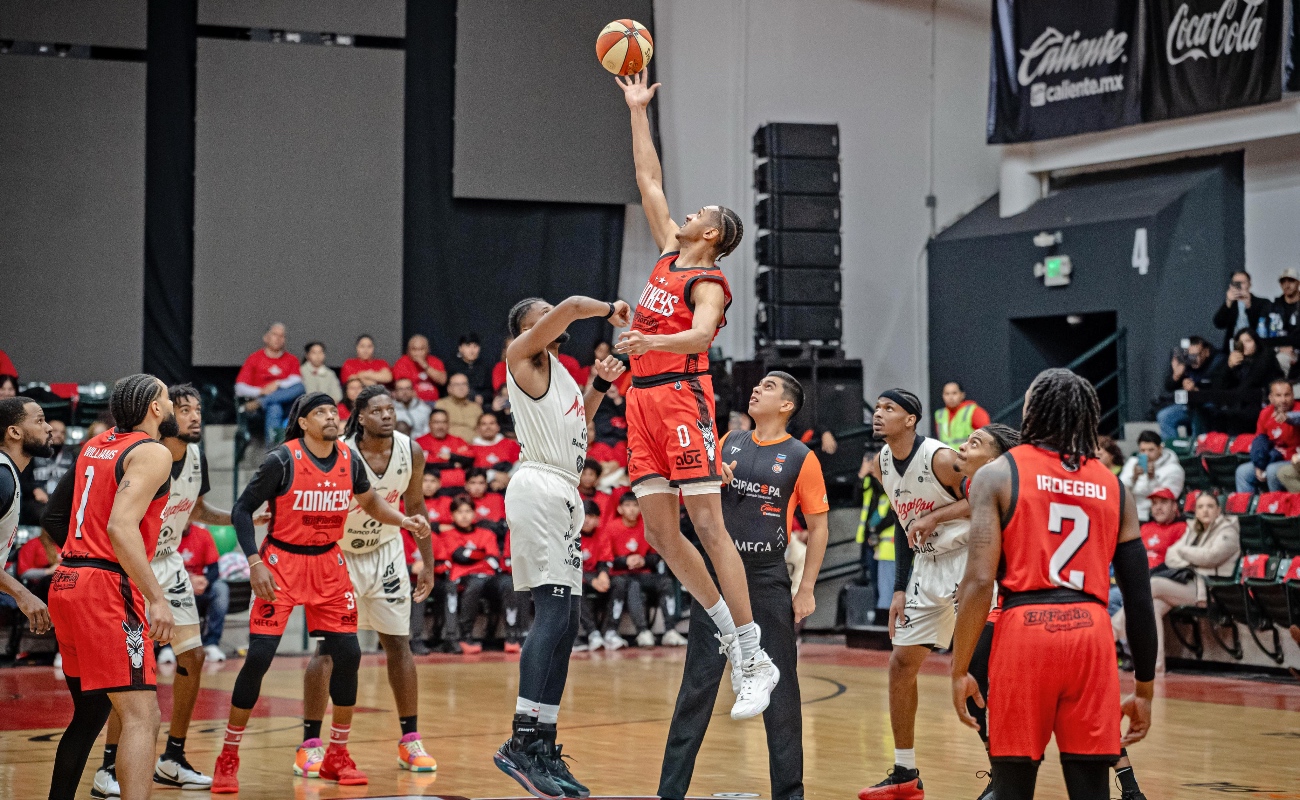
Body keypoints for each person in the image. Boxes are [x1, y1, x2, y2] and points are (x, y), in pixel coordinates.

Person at [614, 68, 778, 720]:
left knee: (707, 524)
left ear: (711, 234)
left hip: (682, 396)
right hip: (641, 401)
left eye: (699, 213)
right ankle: (720, 622)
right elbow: (648, 178)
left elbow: (703, 336)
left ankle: (752, 653)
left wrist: (648, 345)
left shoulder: (707, 283)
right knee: (659, 531)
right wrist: (635, 109)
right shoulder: (664, 252)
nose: (686, 211)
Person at [951, 369, 1157, 800]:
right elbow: (1139, 597)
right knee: (1091, 789)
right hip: (1092, 634)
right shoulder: (1116, 487)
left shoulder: (999, 474)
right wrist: (1144, 690)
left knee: (1011, 787)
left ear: (1032, 412)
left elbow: (978, 580)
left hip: (1024, 630)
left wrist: (961, 668)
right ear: (1087, 416)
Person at [211, 392, 430, 793]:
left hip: (329, 563)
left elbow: (372, 503)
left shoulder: (349, 460)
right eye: (321, 412)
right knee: (258, 658)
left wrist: (404, 521)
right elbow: (242, 510)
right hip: (282, 562)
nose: (331, 416)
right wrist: (254, 562)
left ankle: (337, 754)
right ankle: (228, 755)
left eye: (333, 410)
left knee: (349, 653)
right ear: (305, 422)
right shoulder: (282, 459)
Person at [659, 371, 830, 800]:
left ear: (787, 406)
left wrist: (806, 586)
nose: (757, 388)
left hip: (767, 577)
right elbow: (694, 495)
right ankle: (669, 792)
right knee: (697, 685)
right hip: (717, 580)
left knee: (781, 689)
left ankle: (789, 794)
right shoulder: (728, 440)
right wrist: (716, 478)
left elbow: (819, 525)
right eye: (758, 385)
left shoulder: (800, 457)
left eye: (769, 387)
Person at [81, 384, 253, 795]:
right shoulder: (143, 454)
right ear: (162, 413)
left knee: (191, 656)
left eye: (198, 410)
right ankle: (109, 766)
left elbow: (197, 510)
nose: (196, 416)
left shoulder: (195, 457)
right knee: (133, 670)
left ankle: (172, 756)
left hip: (169, 563)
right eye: (185, 409)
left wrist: (244, 517)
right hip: (131, 564)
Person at [493, 294, 631, 799]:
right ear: (524, 327)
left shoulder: (561, 373)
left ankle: (545, 743)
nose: (552, 312)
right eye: (540, 310)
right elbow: (573, 305)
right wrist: (611, 309)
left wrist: (599, 384)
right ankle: (521, 740)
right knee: (551, 613)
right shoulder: (520, 357)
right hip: (538, 486)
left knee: (569, 619)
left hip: (565, 489)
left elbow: (581, 424)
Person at [46, 375, 178, 800]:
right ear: (156, 408)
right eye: (168, 397)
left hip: (68, 579)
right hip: (106, 585)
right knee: (143, 716)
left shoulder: (96, 444)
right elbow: (121, 526)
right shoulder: (152, 451)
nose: (172, 403)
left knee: (90, 713)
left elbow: (54, 514)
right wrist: (157, 597)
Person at [301, 385, 438, 776]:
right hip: (339, 554)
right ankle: (310, 744)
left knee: (399, 644)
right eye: (377, 410)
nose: (386, 415)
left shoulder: (411, 450)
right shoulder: (339, 451)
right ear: (360, 417)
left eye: (390, 409)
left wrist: (426, 562)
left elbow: (416, 507)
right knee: (328, 649)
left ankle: (410, 741)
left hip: (387, 551)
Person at [857, 389, 970, 798]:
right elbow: (907, 527)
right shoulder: (883, 461)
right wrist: (900, 588)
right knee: (901, 664)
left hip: (967, 559)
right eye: (877, 408)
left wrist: (937, 514)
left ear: (911, 420)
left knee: (981, 671)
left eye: (889, 409)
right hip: (927, 564)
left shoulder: (941, 458)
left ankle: (1003, 774)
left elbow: (986, 500)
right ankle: (905, 773)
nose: (879, 414)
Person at [1113, 491, 1238, 675]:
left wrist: (1186, 554)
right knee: (1153, 606)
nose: (1204, 511)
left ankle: (1112, 632)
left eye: (1210, 506)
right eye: (1200, 507)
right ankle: (1155, 666)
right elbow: (1172, 556)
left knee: (1153, 584)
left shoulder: (1228, 531)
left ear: (1218, 510)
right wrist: (1189, 555)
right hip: (1186, 585)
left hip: (1211, 590)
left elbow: (1211, 557)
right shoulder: (1192, 531)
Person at [0, 397, 54, 636]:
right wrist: (23, 594)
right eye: (40, 421)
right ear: (14, 432)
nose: (49, 427)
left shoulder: (8, 474)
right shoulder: (2, 478)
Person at [603, 492, 682, 648]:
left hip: (643, 573)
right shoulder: (611, 528)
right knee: (633, 585)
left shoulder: (647, 526)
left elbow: (656, 555)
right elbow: (606, 559)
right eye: (627, 505)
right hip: (622, 575)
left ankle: (670, 631)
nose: (632, 509)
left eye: (635, 505)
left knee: (665, 582)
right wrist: (626, 561)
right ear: (619, 509)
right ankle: (643, 631)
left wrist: (643, 560)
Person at [236, 322, 306, 441]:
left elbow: (296, 382)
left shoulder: (292, 359)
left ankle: (263, 401)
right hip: (260, 410)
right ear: (266, 338)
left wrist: (277, 384)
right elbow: (240, 388)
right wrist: (261, 391)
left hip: (287, 405)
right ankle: (273, 455)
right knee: (274, 407)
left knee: (300, 387)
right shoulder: (254, 358)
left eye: (282, 336)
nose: (278, 339)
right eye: (275, 335)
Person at [1234, 378, 1300, 492]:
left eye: (1287, 395)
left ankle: (1274, 506)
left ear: (1293, 395)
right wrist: (1259, 464)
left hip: (1293, 461)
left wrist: (1289, 418)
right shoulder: (1265, 413)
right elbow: (1260, 442)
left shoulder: (1297, 409)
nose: (1283, 400)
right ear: (1271, 398)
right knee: (1242, 472)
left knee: (1271, 470)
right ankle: (1248, 507)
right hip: (1272, 458)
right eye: (1278, 395)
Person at [1211, 329, 1280, 432]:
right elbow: (1217, 386)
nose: (1244, 345)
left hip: (1260, 402)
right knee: (1216, 414)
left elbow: (1254, 380)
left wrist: (1234, 397)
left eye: (1248, 341)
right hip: (1236, 404)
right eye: (1240, 342)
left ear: (1256, 342)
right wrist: (1228, 367)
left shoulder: (1266, 356)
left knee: (1237, 416)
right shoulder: (1234, 361)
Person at [177, 523, 228, 660]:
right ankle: (168, 647)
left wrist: (205, 581)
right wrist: (187, 583)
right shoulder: (165, 536)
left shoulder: (203, 534)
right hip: (176, 590)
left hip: (200, 591)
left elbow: (214, 569)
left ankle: (211, 643)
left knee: (221, 588)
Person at [1155, 336, 1216, 441]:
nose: (1193, 359)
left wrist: (1196, 390)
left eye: (1197, 355)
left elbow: (1219, 390)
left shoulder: (1216, 363)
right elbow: (1169, 387)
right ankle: (1174, 450)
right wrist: (1176, 376)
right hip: (1188, 406)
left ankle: (1198, 450)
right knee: (1164, 416)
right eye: (1190, 355)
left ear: (1206, 352)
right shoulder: (1185, 364)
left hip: (1208, 405)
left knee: (1197, 413)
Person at [1120, 431, 1185, 521]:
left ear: (1160, 448)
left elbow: (1167, 500)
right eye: (1143, 450)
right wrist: (1134, 477)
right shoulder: (1133, 462)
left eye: (1151, 450)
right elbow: (1119, 490)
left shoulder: (1174, 469)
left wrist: (1152, 479)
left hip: (1153, 517)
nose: (1146, 454)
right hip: (1129, 513)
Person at [576, 501, 613, 651]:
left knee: (620, 583)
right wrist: (592, 580)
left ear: (598, 519)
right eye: (583, 516)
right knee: (576, 588)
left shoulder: (602, 533)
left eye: (591, 516)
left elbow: (605, 560)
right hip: (576, 577)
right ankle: (592, 632)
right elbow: (570, 566)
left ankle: (611, 631)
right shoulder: (570, 535)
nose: (586, 520)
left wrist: (604, 574)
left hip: (595, 575)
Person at [416, 408, 474, 490]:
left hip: (460, 489)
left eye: (444, 422)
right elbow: (425, 465)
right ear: (429, 424)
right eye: (436, 422)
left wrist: (451, 456)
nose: (440, 426)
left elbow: (469, 459)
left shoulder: (458, 440)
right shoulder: (419, 442)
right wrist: (453, 464)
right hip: (431, 490)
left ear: (448, 424)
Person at [1212, 270, 1271, 350]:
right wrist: (1228, 303)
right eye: (1236, 283)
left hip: (1256, 347)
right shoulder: (1231, 305)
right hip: (1234, 347)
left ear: (1249, 284)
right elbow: (1219, 323)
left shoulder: (1262, 303)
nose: (1239, 286)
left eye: (1242, 283)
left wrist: (1249, 306)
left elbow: (1263, 326)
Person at [933, 382, 990, 448]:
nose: (950, 397)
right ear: (942, 396)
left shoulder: (974, 411)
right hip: (946, 456)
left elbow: (987, 437)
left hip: (968, 456)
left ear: (962, 395)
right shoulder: (940, 415)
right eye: (947, 394)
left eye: (954, 393)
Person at [393, 334, 447, 403]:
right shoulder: (402, 362)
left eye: (421, 349)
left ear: (428, 350)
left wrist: (425, 366)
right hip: (411, 402)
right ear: (408, 351)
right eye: (414, 349)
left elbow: (442, 381)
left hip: (434, 402)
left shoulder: (435, 361)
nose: (417, 353)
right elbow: (403, 388)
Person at [436, 374, 484, 442]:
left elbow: (481, 431)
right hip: (449, 446)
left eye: (464, 384)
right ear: (449, 389)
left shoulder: (476, 408)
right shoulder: (441, 405)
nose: (461, 388)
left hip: (473, 446)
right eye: (457, 385)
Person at [448, 333, 494, 403]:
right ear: (460, 348)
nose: (472, 351)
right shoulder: (452, 365)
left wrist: (482, 397)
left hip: (481, 403)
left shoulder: (485, 366)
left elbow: (489, 390)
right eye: (468, 346)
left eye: (475, 346)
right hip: (457, 401)